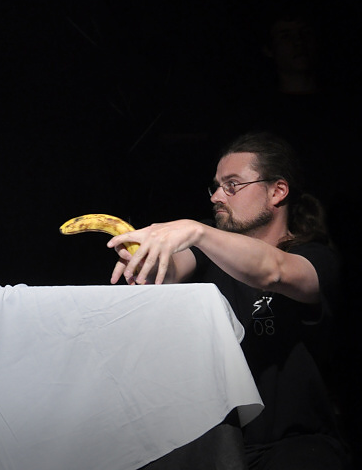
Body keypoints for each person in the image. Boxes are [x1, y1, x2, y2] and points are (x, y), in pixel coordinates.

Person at [107, 132, 350, 469]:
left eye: (232, 185)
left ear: (278, 191)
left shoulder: (316, 257)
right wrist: (145, 263)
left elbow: (273, 271)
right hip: (218, 448)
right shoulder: (208, 247)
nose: (217, 196)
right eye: (216, 186)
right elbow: (173, 269)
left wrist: (197, 231)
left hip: (296, 446)